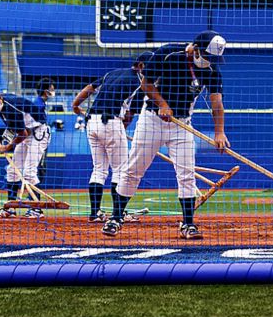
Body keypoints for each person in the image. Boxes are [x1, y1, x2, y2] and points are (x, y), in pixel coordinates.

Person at [104, 31, 228, 239]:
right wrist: (162, 104)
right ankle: (116, 218)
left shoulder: (212, 70)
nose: (209, 62)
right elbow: (146, 84)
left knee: (186, 173)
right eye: (206, 56)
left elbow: (216, 103)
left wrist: (219, 132)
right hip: (152, 119)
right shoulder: (168, 53)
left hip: (182, 124)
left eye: (212, 59)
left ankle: (188, 224)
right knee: (134, 169)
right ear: (195, 49)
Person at [71, 52, 151, 223]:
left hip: (91, 122)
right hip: (111, 120)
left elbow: (89, 88)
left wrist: (76, 105)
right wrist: (119, 130)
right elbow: (129, 114)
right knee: (120, 170)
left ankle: (95, 213)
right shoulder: (140, 83)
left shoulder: (112, 73)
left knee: (99, 169)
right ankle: (118, 214)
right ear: (142, 66)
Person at [0, 84, 52, 219]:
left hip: (38, 132)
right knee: (12, 170)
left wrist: (8, 147)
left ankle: (36, 209)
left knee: (29, 171)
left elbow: (22, 134)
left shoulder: (12, 110)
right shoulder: (0, 101)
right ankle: (10, 208)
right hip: (26, 132)